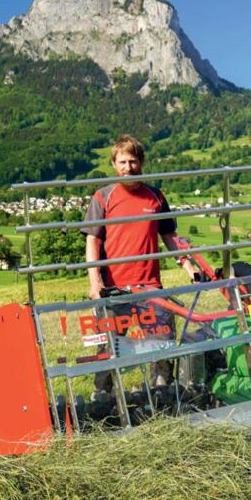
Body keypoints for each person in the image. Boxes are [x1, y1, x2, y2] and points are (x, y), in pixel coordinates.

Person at [80, 135, 198, 399]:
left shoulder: (155, 196)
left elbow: (170, 238)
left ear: (142, 162)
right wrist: (95, 282)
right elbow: (92, 240)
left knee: (162, 340)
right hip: (113, 288)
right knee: (108, 344)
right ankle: (102, 395)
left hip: (150, 286)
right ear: (113, 163)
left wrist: (189, 268)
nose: (128, 167)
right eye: (122, 162)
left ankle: (161, 391)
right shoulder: (104, 197)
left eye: (133, 161)